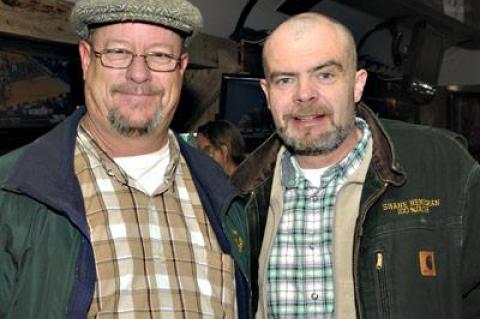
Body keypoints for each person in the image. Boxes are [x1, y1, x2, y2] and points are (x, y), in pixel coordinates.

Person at [0, 0, 251, 318]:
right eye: (118, 52)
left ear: (181, 66)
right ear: (87, 59)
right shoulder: (13, 195)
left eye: (160, 55)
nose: (138, 74)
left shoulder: (224, 197)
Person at [232, 12, 480, 319]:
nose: (304, 94)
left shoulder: (444, 167)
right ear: (267, 94)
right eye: (285, 79)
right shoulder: (238, 198)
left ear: (357, 84)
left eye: (325, 75)